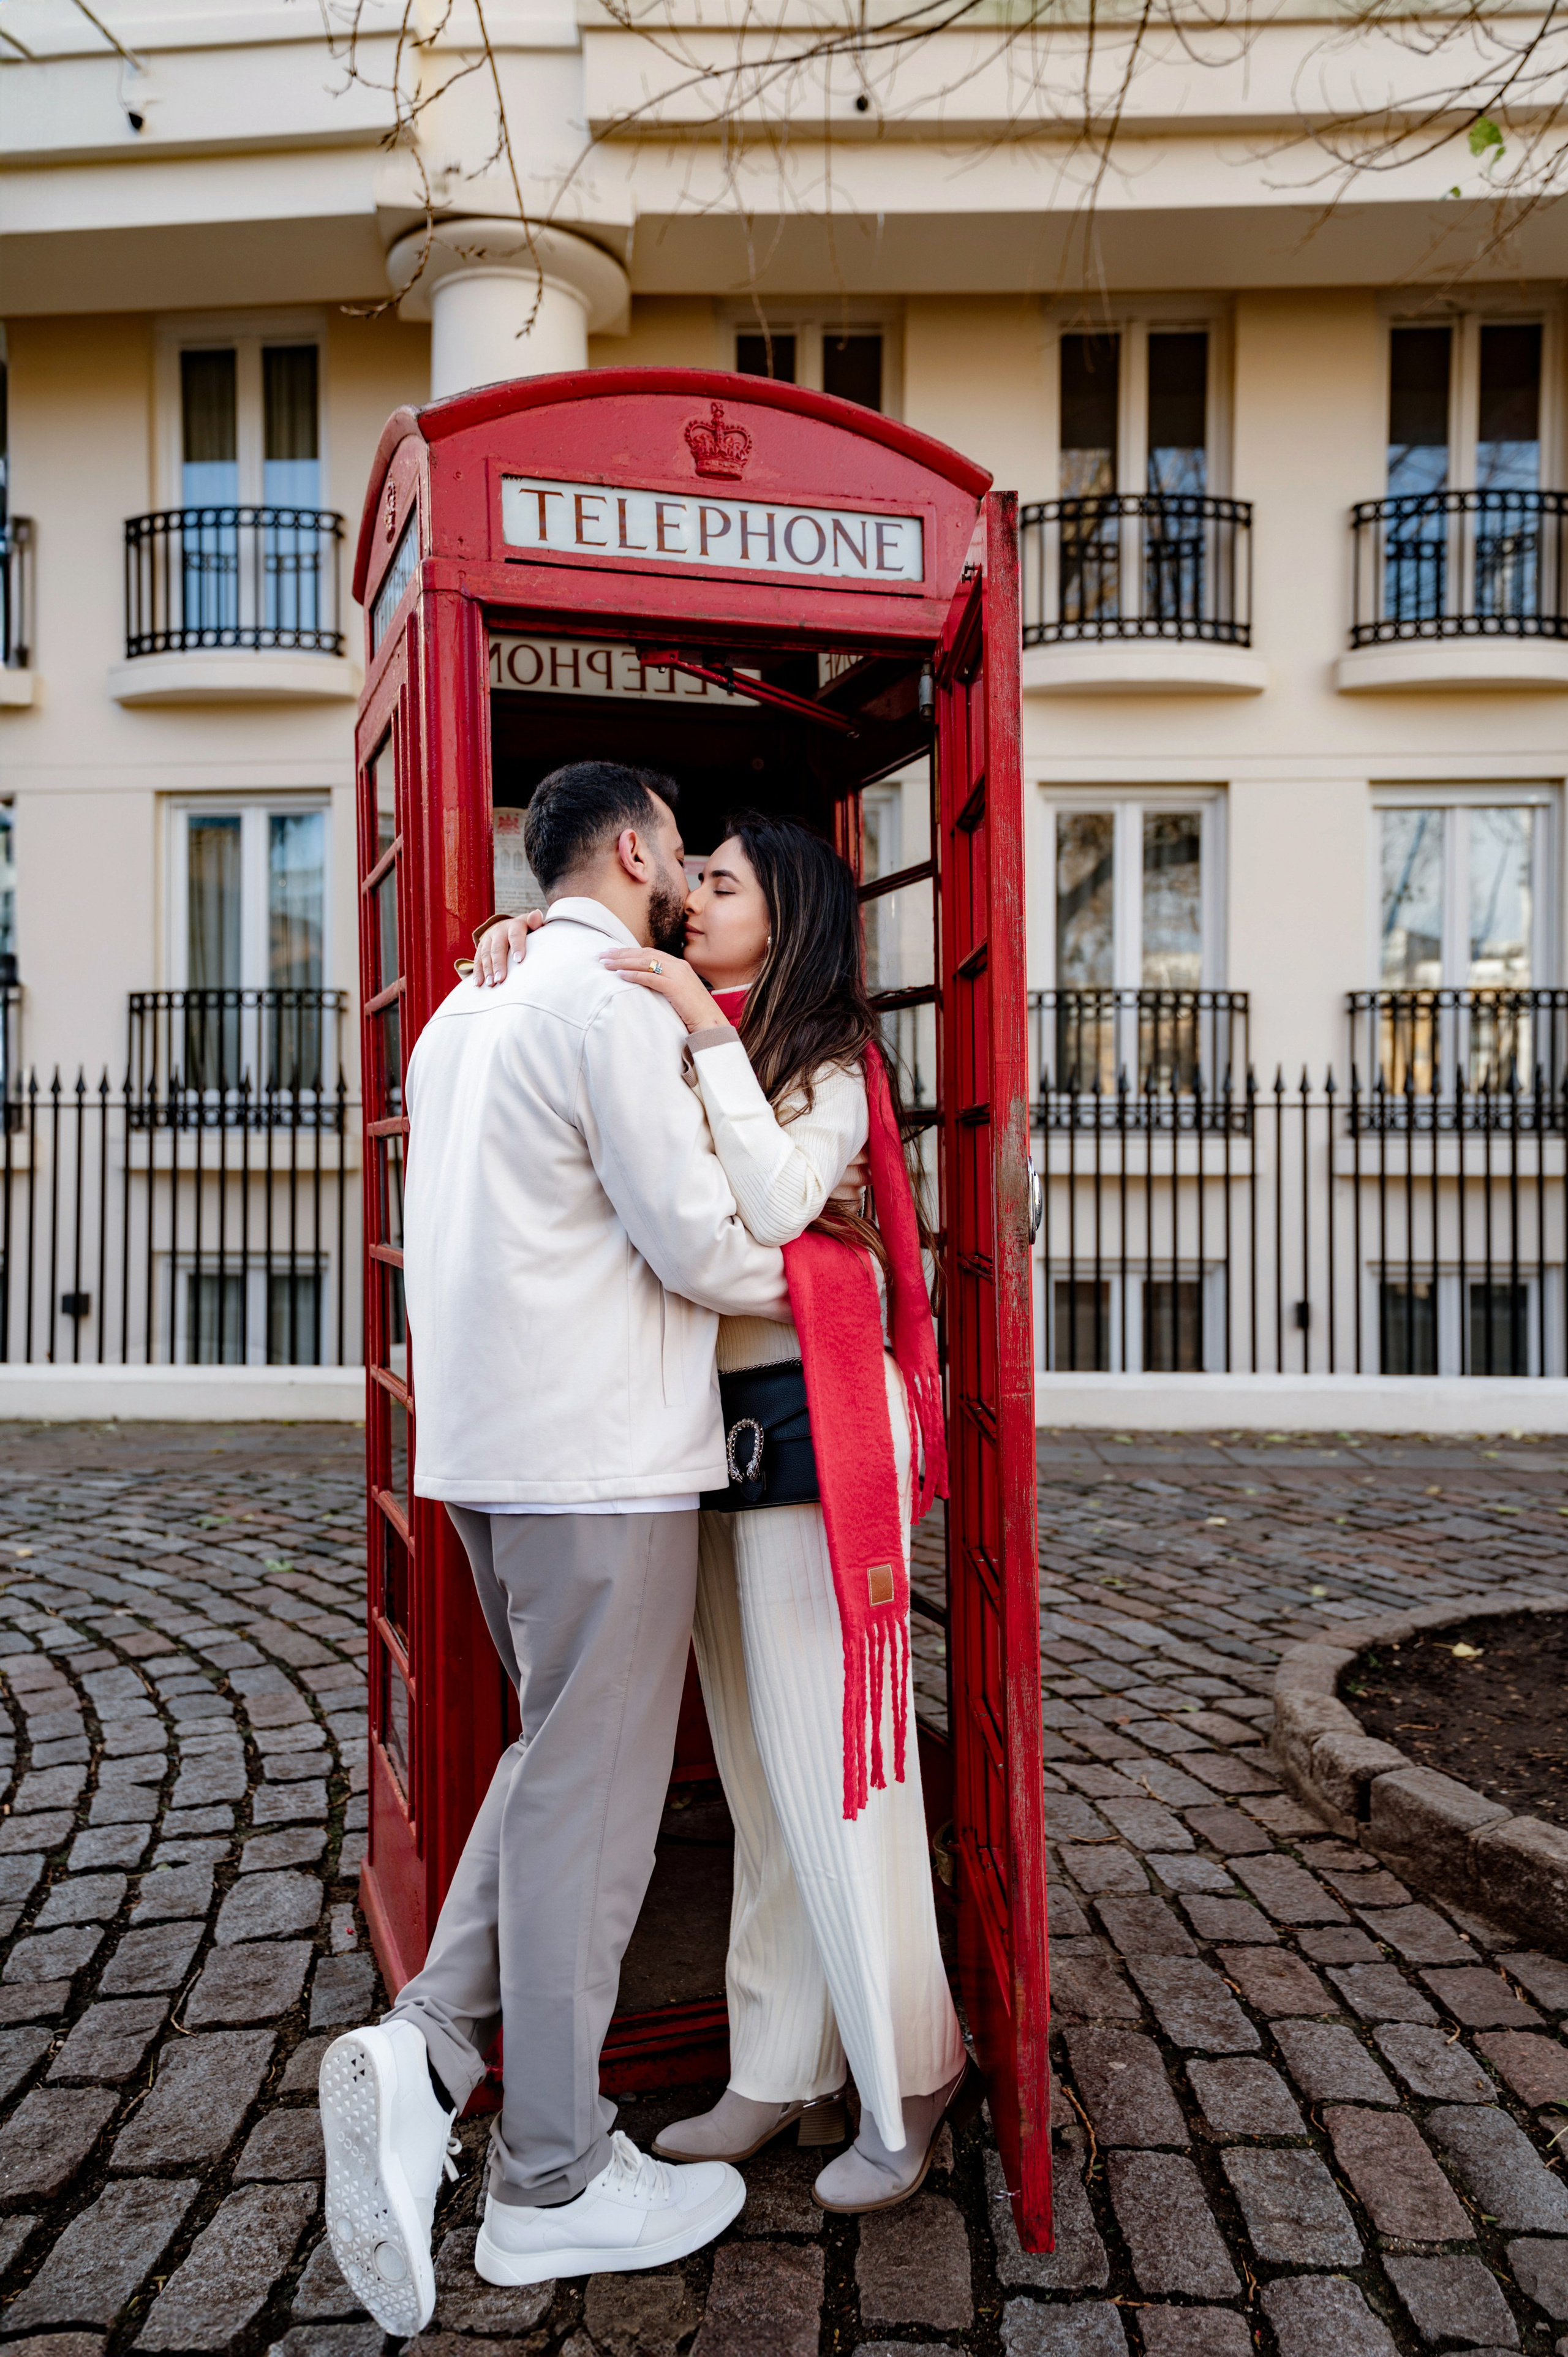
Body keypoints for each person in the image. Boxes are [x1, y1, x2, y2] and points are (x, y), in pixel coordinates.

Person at [317, 763, 797, 2334]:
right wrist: (840, 1274)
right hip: (600, 1459)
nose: (690, 877)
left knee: (551, 1773)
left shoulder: (468, 1006)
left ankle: (433, 2044)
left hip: (483, 1458)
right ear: (642, 847)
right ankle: (549, 2181)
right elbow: (697, 1240)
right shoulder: (606, 1004)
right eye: (682, 849)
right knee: (594, 1824)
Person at [475, 809, 978, 2216]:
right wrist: (519, 946)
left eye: (722, 882)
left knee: (838, 1770)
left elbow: (765, 1201)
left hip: (823, 1426)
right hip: (710, 1429)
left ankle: (908, 2064)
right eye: (689, 876)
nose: (692, 897)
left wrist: (700, 1022)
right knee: (757, 1774)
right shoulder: (686, 1030)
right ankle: (777, 2063)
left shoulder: (823, 1059)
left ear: (791, 913)